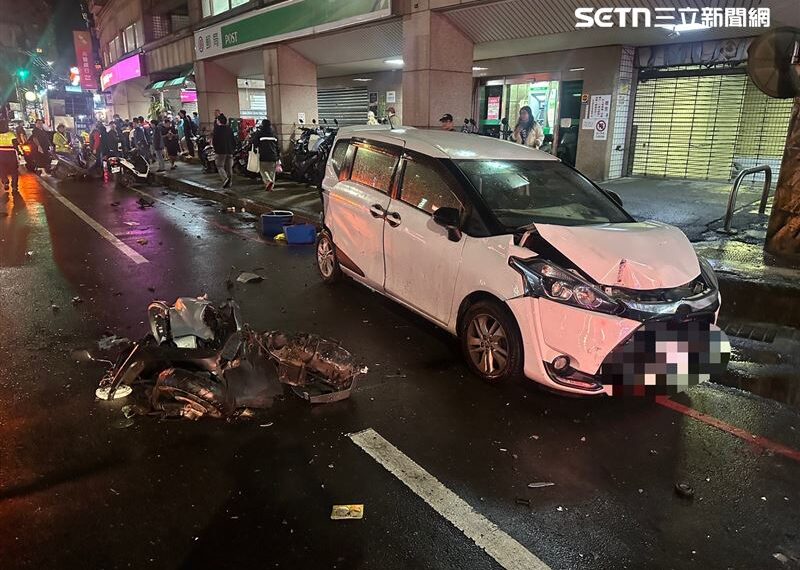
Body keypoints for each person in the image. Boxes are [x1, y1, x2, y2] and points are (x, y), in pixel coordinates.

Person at [253, 119, 279, 192]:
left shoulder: (259, 133)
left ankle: (268, 181)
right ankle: (271, 186)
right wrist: (278, 157)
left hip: (263, 156)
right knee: (272, 172)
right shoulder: (274, 134)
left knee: (263, 170)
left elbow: (255, 143)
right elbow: (277, 147)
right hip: (273, 156)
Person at [212, 113, 235, 188]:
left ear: (219, 121)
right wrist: (233, 149)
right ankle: (230, 182)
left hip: (220, 151)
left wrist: (215, 149)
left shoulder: (217, 129)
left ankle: (225, 180)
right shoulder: (229, 129)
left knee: (220, 166)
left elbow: (214, 141)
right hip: (229, 151)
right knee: (229, 168)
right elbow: (233, 140)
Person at [0, 120, 19, 193]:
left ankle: (5, 181)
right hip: (11, 154)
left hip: (1, 154)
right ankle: (14, 186)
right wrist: (19, 152)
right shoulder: (11, 134)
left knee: (2, 170)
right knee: (14, 171)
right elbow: (16, 144)